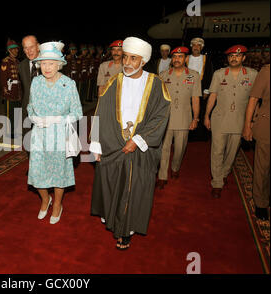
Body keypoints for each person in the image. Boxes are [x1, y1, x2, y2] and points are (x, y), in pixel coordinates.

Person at [90, 37, 170, 250]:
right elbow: (101, 111)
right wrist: (97, 142)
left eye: (133, 58)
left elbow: (161, 115)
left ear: (143, 61)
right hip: (113, 142)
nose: (127, 62)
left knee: (133, 188)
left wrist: (138, 139)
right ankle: (112, 217)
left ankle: (125, 230)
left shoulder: (156, 84)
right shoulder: (113, 81)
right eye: (125, 57)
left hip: (140, 146)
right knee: (112, 182)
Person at [27, 41, 83, 224]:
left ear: (59, 64)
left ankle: (57, 204)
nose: (47, 67)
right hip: (39, 134)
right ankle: (45, 200)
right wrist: (32, 116)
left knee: (59, 173)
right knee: (37, 171)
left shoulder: (69, 84)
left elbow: (77, 112)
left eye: (51, 63)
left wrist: (58, 120)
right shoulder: (35, 82)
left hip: (60, 135)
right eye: (43, 63)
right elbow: (30, 105)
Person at [204, 45, 258, 198]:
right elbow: (212, 96)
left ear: (244, 58)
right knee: (217, 151)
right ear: (227, 58)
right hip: (220, 118)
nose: (234, 58)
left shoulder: (253, 75)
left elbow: (255, 100)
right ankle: (217, 182)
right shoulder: (219, 74)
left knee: (232, 151)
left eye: (237, 56)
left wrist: (253, 120)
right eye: (231, 56)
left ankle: (224, 173)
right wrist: (206, 116)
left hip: (240, 120)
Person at [157, 46, 201, 189]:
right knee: (164, 148)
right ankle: (162, 175)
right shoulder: (163, 75)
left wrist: (195, 118)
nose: (176, 59)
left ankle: (175, 167)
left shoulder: (193, 76)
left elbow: (195, 99)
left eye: (180, 56)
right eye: (174, 57)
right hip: (166, 118)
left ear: (186, 59)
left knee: (180, 149)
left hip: (184, 118)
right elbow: (158, 99)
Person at [242, 63, 270, 221]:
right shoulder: (267, 72)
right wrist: (247, 125)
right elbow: (253, 99)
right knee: (263, 167)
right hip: (267, 126)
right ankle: (261, 203)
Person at [186, 37, 214, 142]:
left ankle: (199, 136)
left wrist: (207, 90)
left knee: (201, 111)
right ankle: (187, 134)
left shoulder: (206, 59)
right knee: (187, 110)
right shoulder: (186, 58)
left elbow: (209, 74)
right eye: (194, 45)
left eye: (198, 45)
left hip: (202, 89)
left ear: (201, 47)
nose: (196, 47)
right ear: (191, 47)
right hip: (187, 87)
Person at [0, 39, 22, 138]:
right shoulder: (5, 62)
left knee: (17, 112)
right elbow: (3, 78)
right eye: (14, 49)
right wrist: (5, 91)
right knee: (10, 113)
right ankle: (10, 132)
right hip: (10, 90)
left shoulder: (17, 61)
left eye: (17, 49)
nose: (17, 51)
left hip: (17, 90)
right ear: (9, 50)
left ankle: (16, 130)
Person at [18, 35, 41, 132]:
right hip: (27, 113)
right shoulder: (21, 66)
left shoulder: (50, 63)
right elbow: (24, 91)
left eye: (31, 47)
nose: (29, 51)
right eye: (26, 48)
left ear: (38, 46)